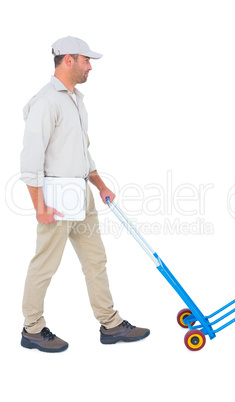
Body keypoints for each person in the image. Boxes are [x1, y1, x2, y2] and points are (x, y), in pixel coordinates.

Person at [20, 36, 150, 353]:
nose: (90, 65)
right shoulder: (46, 101)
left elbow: (81, 152)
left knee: (95, 260)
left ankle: (111, 324)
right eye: (86, 60)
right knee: (45, 265)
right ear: (68, 60)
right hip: (56, 196)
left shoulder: (76, 100)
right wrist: (40, 206)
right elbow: (30, 161)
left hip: (81, 193)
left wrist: (100, 184)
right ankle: (32, 329)